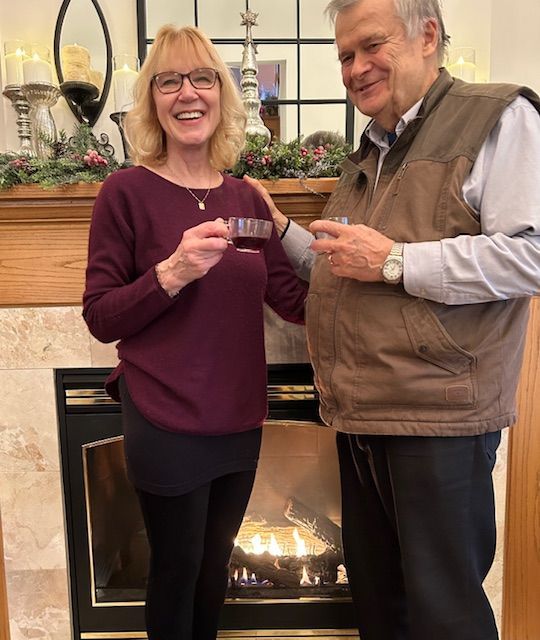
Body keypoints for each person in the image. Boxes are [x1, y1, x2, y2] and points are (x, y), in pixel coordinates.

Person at [245, 0, 540, 639]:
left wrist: (396, 260)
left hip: (439, 418)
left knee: (443, 617)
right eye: (345, 55)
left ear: (427, 35)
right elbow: (344, 265)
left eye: (371, 46)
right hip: (361, 414)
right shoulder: (372, 151)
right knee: (382, 610)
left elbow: (531, 255)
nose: (355, 68)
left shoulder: (496, 117)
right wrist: (281, 229)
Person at [82, 25, 307, 640]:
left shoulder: (247, 199)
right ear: (152, 99)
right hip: (163, 415)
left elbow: (295, 301)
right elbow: (100, 317)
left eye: (202, 77)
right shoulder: (124, 192)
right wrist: (172, 272)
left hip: (239, 418)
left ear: (222, 93)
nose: (189, 93)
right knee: (178, 571)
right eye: (170, 80)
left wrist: (377, 272)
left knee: (215, 570)